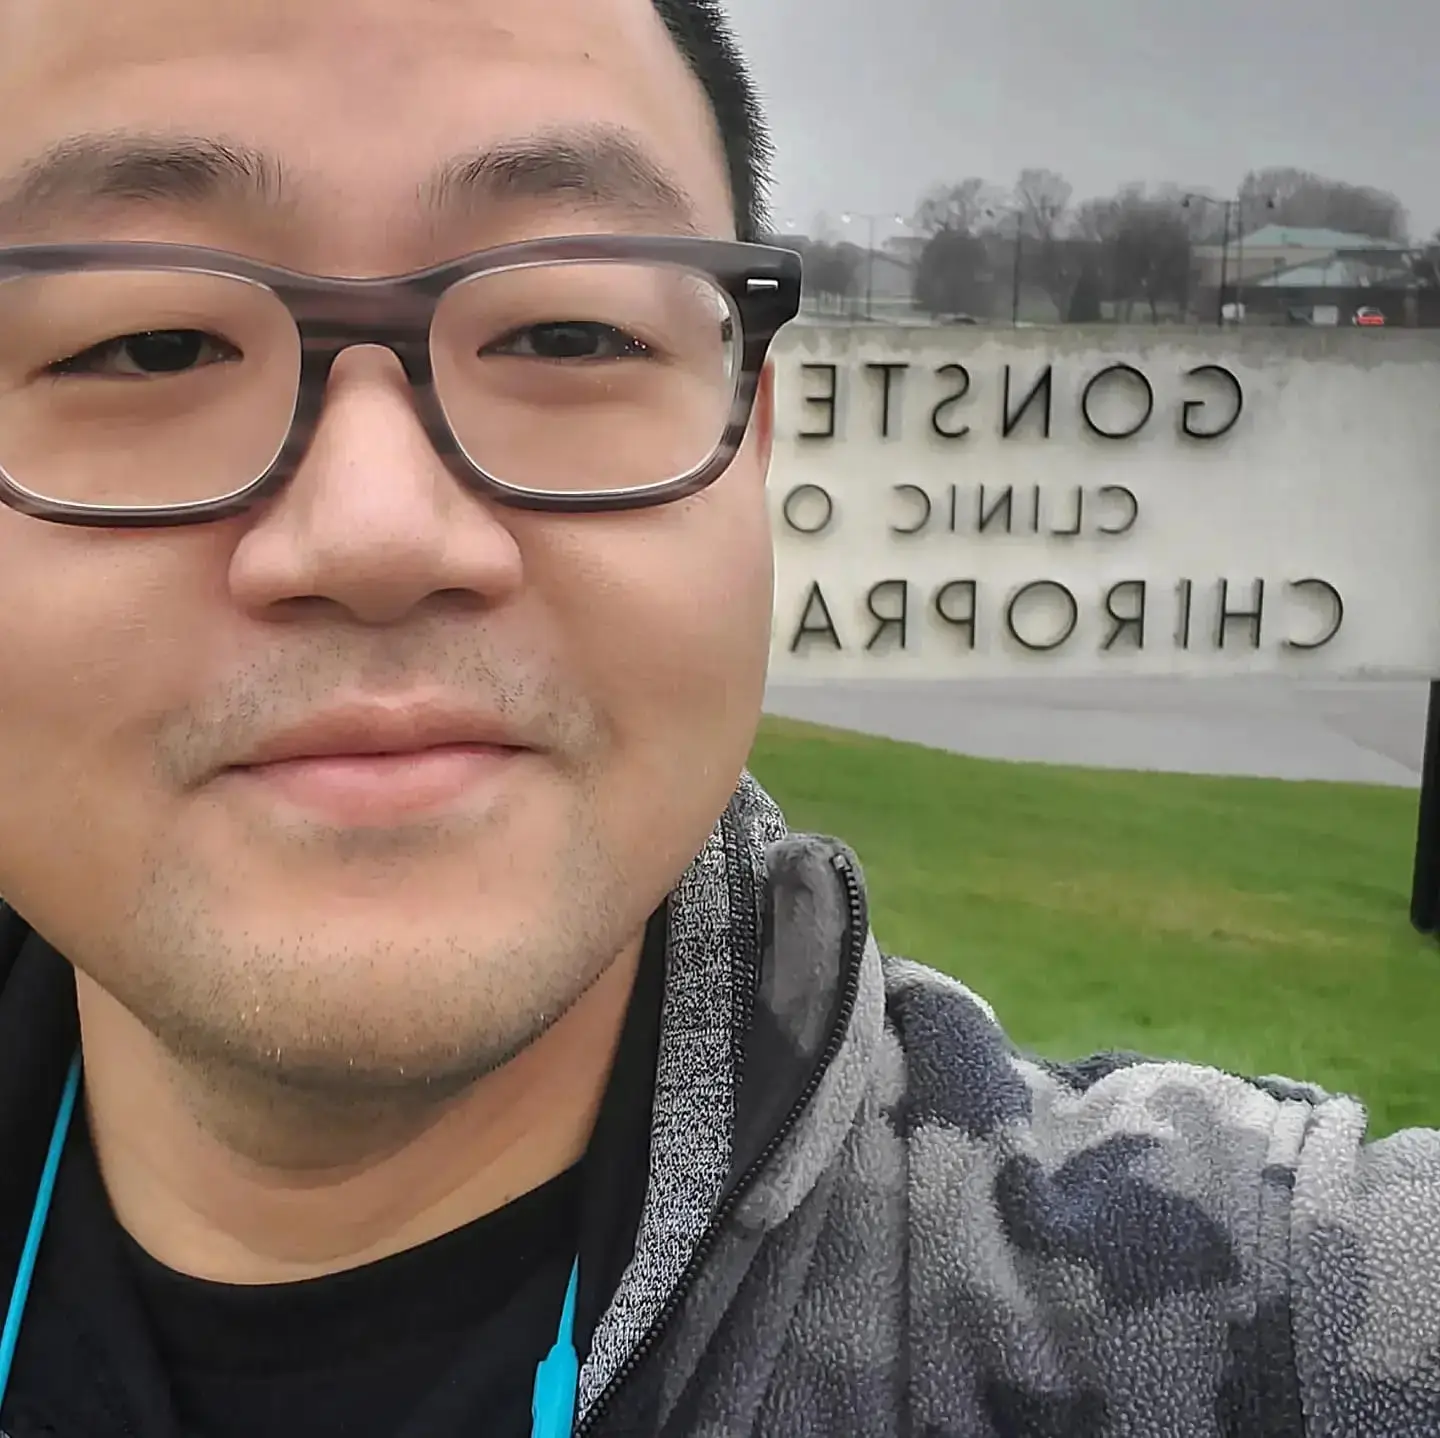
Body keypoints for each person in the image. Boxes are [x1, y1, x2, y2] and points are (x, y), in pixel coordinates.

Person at [0, 1, 1435, 1434]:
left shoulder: (1260, 1326)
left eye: (568, 329)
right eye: (150, 343)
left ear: (748, 447)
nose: (381, 532)